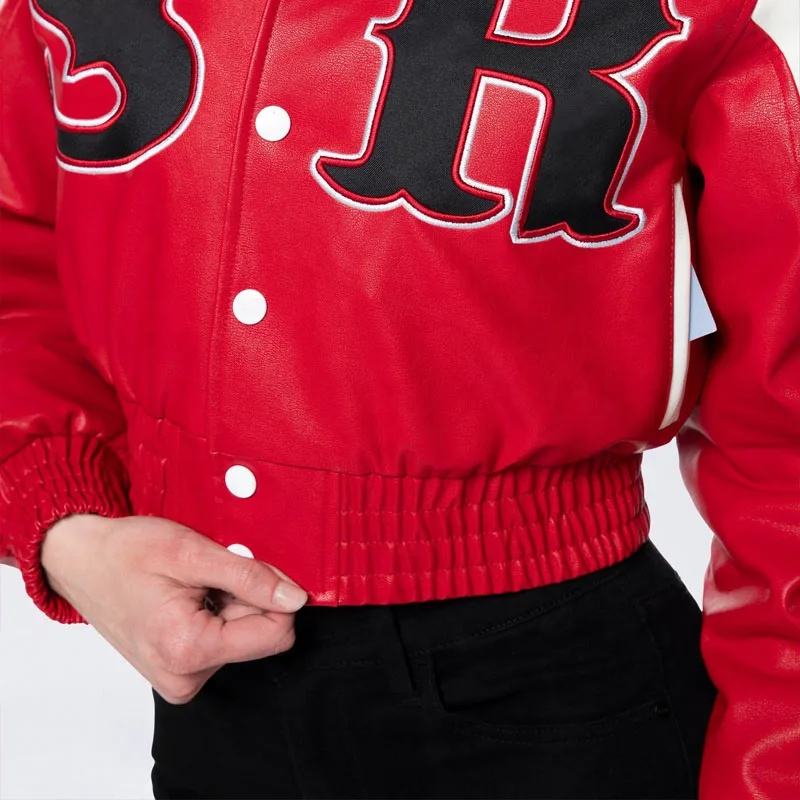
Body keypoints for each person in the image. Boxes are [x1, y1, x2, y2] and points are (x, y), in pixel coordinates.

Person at [1, 0, 798, 798]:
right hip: (218, 686)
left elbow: (784, 429)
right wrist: (66, 530)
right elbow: (18, 257)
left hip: (560, 686)